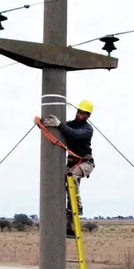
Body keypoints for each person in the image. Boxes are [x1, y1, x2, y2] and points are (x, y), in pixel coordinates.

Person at [43, 99, 95, 238]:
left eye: (83, 113)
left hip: (85, 163)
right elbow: (65, 129)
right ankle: (68, 225)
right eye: (79, 112)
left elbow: (74, 134)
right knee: (61, 183)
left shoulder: (87, 129)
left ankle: (77, 206)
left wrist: (59, 124)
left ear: (88, 116)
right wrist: (44, 124)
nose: (80, 115)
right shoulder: (70, 125)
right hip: (72, 163)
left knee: (71, 177)